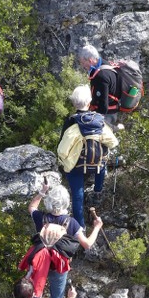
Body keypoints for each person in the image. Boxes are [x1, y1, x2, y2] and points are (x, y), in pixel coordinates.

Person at [19, 183, 102, 298]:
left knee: (32, 293)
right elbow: (87, 244)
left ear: (49, 201)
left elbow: (32, 207)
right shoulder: (72, 223)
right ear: (66, 202)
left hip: (39, 263)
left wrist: (42, 191)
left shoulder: (41, 218)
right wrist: (97, 227)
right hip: (59, 266)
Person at [57, 84, 118, 228]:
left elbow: (62, 150)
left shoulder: (72, 123)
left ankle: (80, 226)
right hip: (96, 165)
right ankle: (97, 192)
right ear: (89, 102)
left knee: (78, 196)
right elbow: (113, 142)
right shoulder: (99, 121)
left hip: (77, 167)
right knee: (101, 168)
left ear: (74, 103)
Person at [77, 43, 121, 128]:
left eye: (83, 63)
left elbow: (103, 106)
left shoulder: (101, 76)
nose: (82, 66)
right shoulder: (105, 64)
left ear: (90, 60)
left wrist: (95, 121)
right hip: (112, 110)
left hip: (107, 115)